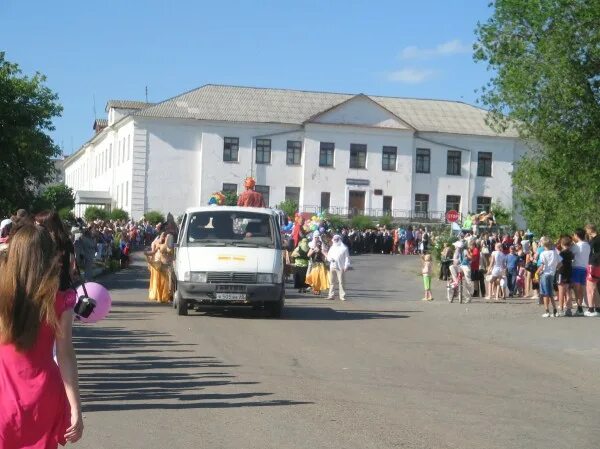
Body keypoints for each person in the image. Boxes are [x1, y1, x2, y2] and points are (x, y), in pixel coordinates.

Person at [0, 224, 83, 448]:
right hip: (44, 396)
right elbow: (65, 355)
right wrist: (75, 407)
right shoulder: (61, 301)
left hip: (3, 393)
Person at [146, 232, 173, 303]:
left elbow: (172, 255)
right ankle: (159, 297)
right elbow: (153, 252)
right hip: (160, 265)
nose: (166, 237)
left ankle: (167, 296)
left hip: (167, 266)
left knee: (167, 282)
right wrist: (147, 254)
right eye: (164, 236)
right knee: (159, 282)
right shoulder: (159, 245)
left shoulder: (171, 246)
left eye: (167, 237)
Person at [538, 236, 561, 317]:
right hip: (552, 274)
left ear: (543, 245)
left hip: (545, 274)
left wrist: (537, 273)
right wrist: (555, 268)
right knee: (550, 293)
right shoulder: (554, 252)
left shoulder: (543, 253)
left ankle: (547, 311)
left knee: (545, 293)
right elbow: (560, 263)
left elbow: (542, 265)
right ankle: (555, 310)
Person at [571, 228, 590, 316]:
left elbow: (570, 254)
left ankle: (579, 307)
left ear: (577, 235)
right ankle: (580, 307)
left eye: (574, 235)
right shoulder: (588, 245)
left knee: (576, 289)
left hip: (576, 268)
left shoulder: (577, 246)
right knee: (582, 289)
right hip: (585, 268)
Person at [327, 234, 350, 301]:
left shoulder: (344, 248)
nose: (335, 241)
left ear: (339, 240)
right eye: (334, 239)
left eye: (337, 239)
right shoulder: (332, 247)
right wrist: (330, 259)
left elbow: (347, 258)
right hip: (332, 267)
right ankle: (331, 295)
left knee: (341, 282)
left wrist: (346, 266)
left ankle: (342, 296)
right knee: (331, 282)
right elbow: (328, 256)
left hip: (340, 267)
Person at [584, 224, 600, 317]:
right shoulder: (594, 239)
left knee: (591, 287)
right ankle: (597, 308)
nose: (586, 232)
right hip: (596, 264)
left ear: (590, 229)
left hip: (593, 264)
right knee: (595, 287)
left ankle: (591, 309)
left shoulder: (594, 240)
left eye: (587, 230)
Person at [556, 235, 574, 316]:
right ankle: (569, 309)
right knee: (568, 291)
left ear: (562, 244)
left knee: (561, 292)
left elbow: (559, 264)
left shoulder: (561, 253)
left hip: (561, 273)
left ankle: (561, 309)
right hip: (569, 272)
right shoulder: (571, 253)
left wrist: (555, 268)